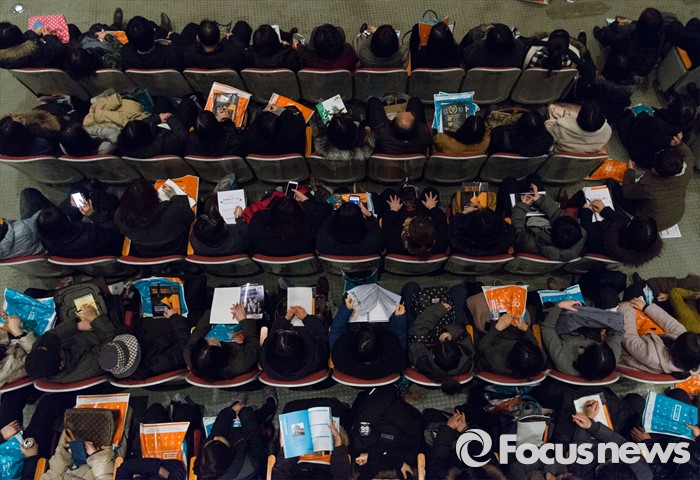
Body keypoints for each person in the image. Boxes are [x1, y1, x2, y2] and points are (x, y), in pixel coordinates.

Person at [24, 304, 116, 383]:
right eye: (57, 349)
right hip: (110, 333)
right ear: (61, 365)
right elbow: (113, 346)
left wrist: (77, 326)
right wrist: (95, 319)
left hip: (87, 332)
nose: (53, 345)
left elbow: (52, 334)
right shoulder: (88, 367)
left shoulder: (38, 352)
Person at [350, 385, 423, 480]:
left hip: (374, 444)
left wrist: (373, 456)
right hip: (398, 435)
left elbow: (384, 393)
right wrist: (396, 461)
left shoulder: (361, 443)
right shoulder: (411, 454)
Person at [615, 145, 693, 231]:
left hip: (650, 223)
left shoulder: (649, 185)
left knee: (617, 190)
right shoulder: (687, 168)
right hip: (675, 215)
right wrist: (679, 144)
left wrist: (630, 171)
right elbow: (688, 155)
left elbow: (627, 192)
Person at [100, 305, 190, 380]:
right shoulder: (158, 363)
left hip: (154, 320)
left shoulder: (117, 358)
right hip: (179, 324)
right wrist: (175, 318)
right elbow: (184, 346)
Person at [194, 393, 271, 480]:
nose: (215, 437)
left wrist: (230, 411)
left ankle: (238, 405)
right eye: (218, 441)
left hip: (238, 443)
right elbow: (254, 434)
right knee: (256, 418)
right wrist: (244, 412)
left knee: (230, 420)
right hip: (250, 447)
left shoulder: (207, 466)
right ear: (228, 453)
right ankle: (271, 405)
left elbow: (216, 431)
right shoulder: (251, 464)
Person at [540, 300, 623, 380]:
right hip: (586, 324)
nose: (587, 344)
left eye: (586, 348)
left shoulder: (564, 362)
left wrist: (559, 306)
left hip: (562, 327)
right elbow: (617, 331)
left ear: (581, 359)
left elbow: (547, 328)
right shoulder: (610, 358)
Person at [330, 296, 406, 379]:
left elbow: (336, 330)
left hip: (358, 326)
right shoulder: (395, 360)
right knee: (398, 301)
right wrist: (399, 318)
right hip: (381, 328)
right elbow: (399, 337)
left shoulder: (340, 358)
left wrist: (346, 309)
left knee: (347, 296)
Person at [618, 297, 700, 374]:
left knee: (613, 296)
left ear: (677, 344)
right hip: (646, 338)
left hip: (624, 348)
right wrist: (646, 307)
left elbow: (629, 337)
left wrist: (626, 309)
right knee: (634, 294)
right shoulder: (691, 353)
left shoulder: (650, 356)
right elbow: (671, 323)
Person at [114, 179, 195, 257]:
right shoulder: (174, 211)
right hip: (176, 250)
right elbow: (190, 217)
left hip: (144, 254)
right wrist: (175, 196)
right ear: (154, 197)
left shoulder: (121, 217)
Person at [408, 300, 474, 393]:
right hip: (448, 326)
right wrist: (451, 333)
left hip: (427, 332)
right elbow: (464, 335)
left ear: (433, 356)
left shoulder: (423, 362)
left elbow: (417, 330)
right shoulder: (467, 359)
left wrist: (438, 309)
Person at [508, 182, 586, 261]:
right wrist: (540, 199)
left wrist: (522, 206)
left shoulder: (531, 243)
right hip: (540, 225)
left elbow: (518, 232)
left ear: (550, 230)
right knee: (535, 180)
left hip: (528, 226)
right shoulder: (581, 233)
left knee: (510, 183)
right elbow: (557, 213)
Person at [185, 304, 259, 381]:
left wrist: (215, 312)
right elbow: (253, 340)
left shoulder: (190, 355)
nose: (212, 338)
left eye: (206, 340)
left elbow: (199, 331)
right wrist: (243, 320)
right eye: (215, 342)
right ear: (220, 353)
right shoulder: (241, 362)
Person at [579, 198, 662, 266]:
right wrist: (604, 210)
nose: (631, 219)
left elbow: (589, 232)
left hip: (588, 240)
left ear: (627, 232)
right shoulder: (642, 243)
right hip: (600, 236)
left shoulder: (606, 242)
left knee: (581, 199)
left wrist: (586, 212)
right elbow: (624, 220)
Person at [248, 191, 330, 256]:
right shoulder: (310, 228)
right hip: (300, 260)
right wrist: (305, 200)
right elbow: (326, 210)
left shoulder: (259, 228)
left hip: (270, 261)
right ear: (300, 214)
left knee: (271, 196)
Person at [259, 306, 329, 381]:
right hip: (307, 372)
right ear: (302, 346)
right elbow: (323, 340)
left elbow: (272, 336)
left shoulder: (264, 357)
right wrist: (306, 318)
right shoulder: (315, 358)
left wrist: (285, 320)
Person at [593, 7, 665, 77]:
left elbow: (610, 36)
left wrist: (616, 23)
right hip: (638, 70)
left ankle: (600, 34)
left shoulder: (628, 33)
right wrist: (632, 22)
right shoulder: (660, 36)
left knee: (609, 36)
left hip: (623, 62)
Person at [37, 201, 123, 258]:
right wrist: (92, 214)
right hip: (111, 249)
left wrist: (73, 208)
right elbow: (115, 234)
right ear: (66, 221)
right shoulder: (90, 235)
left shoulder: (46, 242)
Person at [117, 97, 198, 158]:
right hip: (174, 138)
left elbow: (142, 124)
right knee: (187, 103)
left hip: (159, 133)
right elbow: (182, 135)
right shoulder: (161, 145)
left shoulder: (124, 143)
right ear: (147, 133)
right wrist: (169, 118)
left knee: (162, 101)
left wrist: (158, 118)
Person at [381, 187, 448, 259]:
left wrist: (393, 209)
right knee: (431, 191)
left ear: (408, 233)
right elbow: (441, 221)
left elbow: (387, 223)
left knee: (388, 193)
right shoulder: (440, 245)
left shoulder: (394, 245)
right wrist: (432, 207)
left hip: (399, 221)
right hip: (423, 215)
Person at [477, 312, 547, 378]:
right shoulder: (541, 358)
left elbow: (482, 346)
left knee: (481, 309)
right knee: (525, 314)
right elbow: (532, 341)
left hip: (497, 335)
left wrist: (496, 329)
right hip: (516, 332)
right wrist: (526, 329)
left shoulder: (497, 360)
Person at [618, 110, 687, 169]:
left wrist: (643, 114)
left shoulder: (657, 125)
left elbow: (636, 130)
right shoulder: (681, 133)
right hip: (654, 160)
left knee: (626, 123)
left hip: (641, 153)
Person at [365, 96, 431, 154]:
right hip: (415, 150)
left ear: (391, 124)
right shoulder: (425, 136)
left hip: (387, 148)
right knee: (415, 101)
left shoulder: (381, 136)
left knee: (374, 101)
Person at [316, 201, 384, 256]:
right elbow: (376, 230)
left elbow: (326, 223)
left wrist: (338, 212)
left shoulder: (323, 242)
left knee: (341, 190)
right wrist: (370, 216)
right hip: (365, 267)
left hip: (335, 267)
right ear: (361, 221)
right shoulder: (373, 242)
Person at [41, 429, 116, 480]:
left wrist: (66, 453)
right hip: (103, 458)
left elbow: (53, 473)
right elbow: (105, 477)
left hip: (71, 456)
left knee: (73, 422)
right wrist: (95, 454)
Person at [0, 188, 50, 259]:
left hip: (24, 244)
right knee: (29, 193)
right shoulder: (23, 228)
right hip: (42, 241)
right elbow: (40, 218)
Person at [545, 102, 612, 153]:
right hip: (581, 160)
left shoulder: (561, 127)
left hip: (559, 154)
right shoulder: (607, 131)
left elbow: (548, 132)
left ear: (579, 114)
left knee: (551, 107)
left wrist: (552, 121)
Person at [448, 207, 514, 257]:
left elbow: (452, 232)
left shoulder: (460, 246)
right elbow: (509, 230)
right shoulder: (501, 246)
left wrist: (462, 214)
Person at [183, 19, 247, 70]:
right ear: (219, 38)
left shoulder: (189, 55)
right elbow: (243, 51)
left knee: (191, 26)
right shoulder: (233, 54)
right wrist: (230, 38)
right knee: (242, 25)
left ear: (198, 38)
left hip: (201, 80)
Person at [487, 109, 553, 157]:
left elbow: (489, 153)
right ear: (542, 126)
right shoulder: (548, 141)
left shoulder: (499, 135)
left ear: (519, 122)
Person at [0, 21, 65, 69]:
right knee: (70, 29)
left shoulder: (3, 60)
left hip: (33, 74)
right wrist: (49, 37)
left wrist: (33, 34)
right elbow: (59, 49)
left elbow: (20, 41)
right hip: (54, 66)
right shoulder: (36, 50)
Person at [460, 23, 524, 69]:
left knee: (475, 33)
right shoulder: (519, 50)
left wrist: (483, 38)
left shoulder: (474, 54)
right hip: (503, 80)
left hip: (477, 77)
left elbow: (463, 54)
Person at [0, 309, 36, 387]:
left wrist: (5, 328)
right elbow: (39, 359)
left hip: (15, 339)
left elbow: (4, 345)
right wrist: (18, 333)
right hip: (39, 342)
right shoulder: (6, 371)